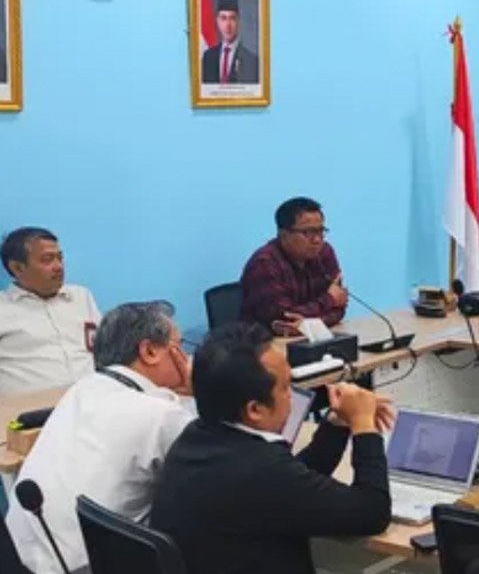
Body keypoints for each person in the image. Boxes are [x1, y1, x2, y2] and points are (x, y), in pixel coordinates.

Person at [151, 323, 393, 574]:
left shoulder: (194, 439)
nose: (292, 397)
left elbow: (294, 481)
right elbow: (372, 513)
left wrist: (336, 424)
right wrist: (363, 424)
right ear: (255, 410)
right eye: (286, 387)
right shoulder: (259, 470)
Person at [5, 301, 193, 574]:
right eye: (179, 346)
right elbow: (219, 461)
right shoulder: (162, 414)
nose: (186, 358)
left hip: (23, 559)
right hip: (90, 565)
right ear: (150, 351)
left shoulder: (81, 389)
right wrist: (199, 393)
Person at [0, 227, 101, 397]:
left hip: (93, 399)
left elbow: (104, 349)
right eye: (48, 260)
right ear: (17, 267)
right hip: (31, 408)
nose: (59, 267)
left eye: (60, 258)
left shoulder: (81, 297)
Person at [240, 197, 348, 335]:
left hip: (310, 338)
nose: (317, 240)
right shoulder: (264, 264)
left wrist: (308, 326)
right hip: (266, 342)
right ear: (284, 235)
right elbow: (283, 319)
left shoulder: (324, 253)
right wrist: (329, 300)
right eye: (308, 232)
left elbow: (339, 308)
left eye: (321, 231)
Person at [201, 0, 259, 85]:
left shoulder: (252, 61)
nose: (228, 25)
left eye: (232, 18)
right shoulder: (208, 57)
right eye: (223, 18)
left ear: (238, 21)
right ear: (217, 21)